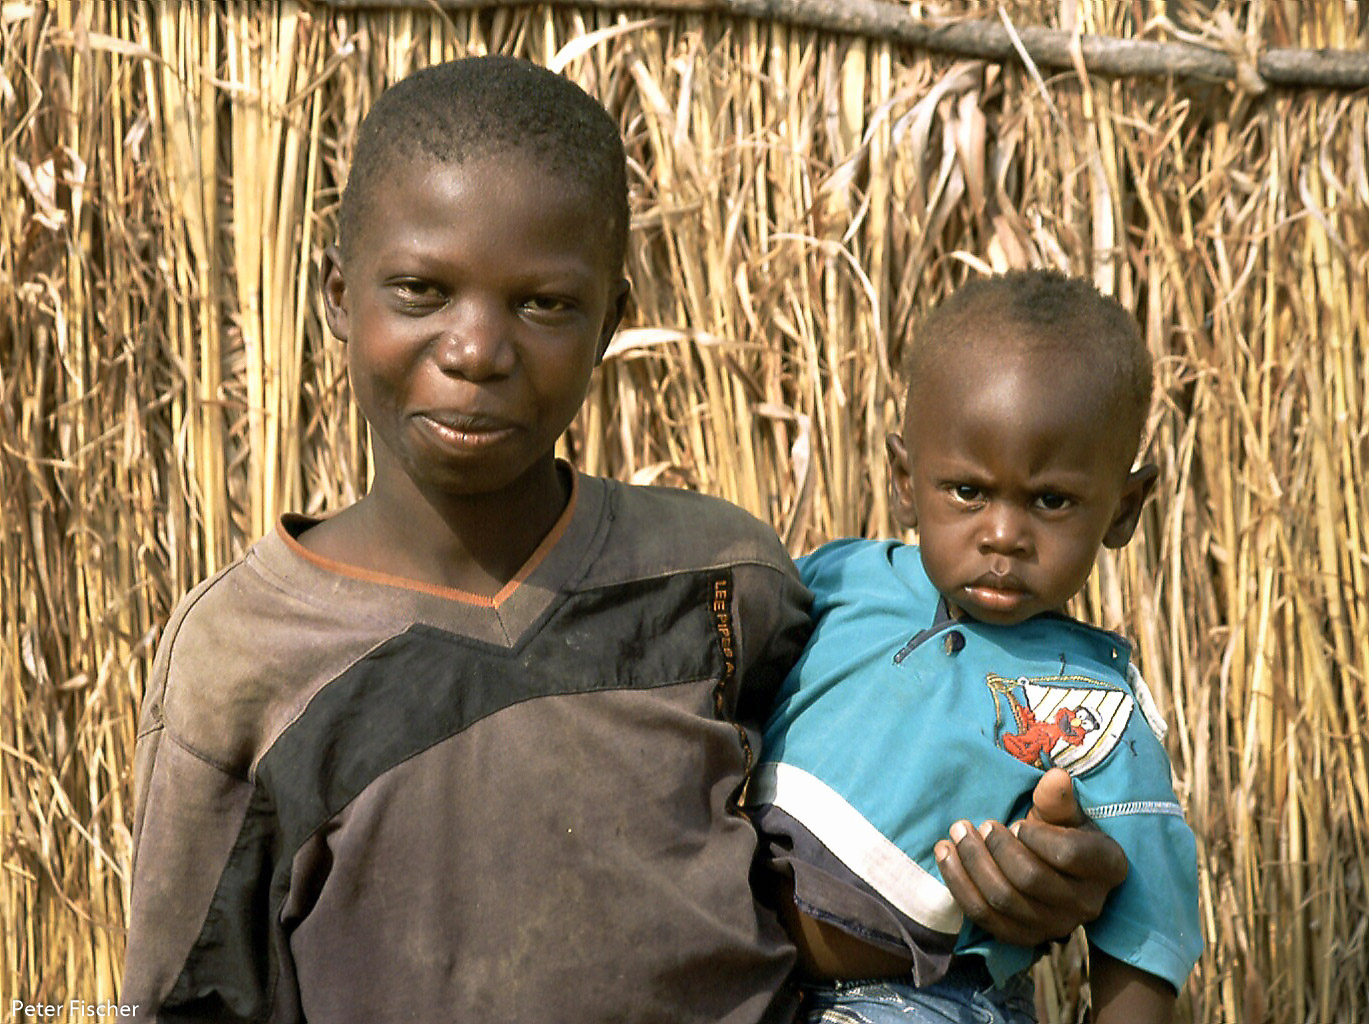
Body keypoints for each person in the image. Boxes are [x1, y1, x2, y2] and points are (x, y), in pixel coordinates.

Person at [121, 59, 1128, 1023]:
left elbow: (901, 806)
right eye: (421, 290)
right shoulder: (245, 658)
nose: (476, 350)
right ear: (338, 294)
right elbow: (193, 998)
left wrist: (1038, 872)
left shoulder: (722, 582)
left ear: (611, 319)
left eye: (543, 304)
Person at [749, 270, 1203, 1024]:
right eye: (967, 491)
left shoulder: (1094, 709)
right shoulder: (833, 582)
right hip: (750, 987)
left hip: (929, 1004)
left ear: (1123, 509)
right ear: (905, 479)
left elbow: (1147, 932)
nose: (1003, 534)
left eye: (1050, 500)